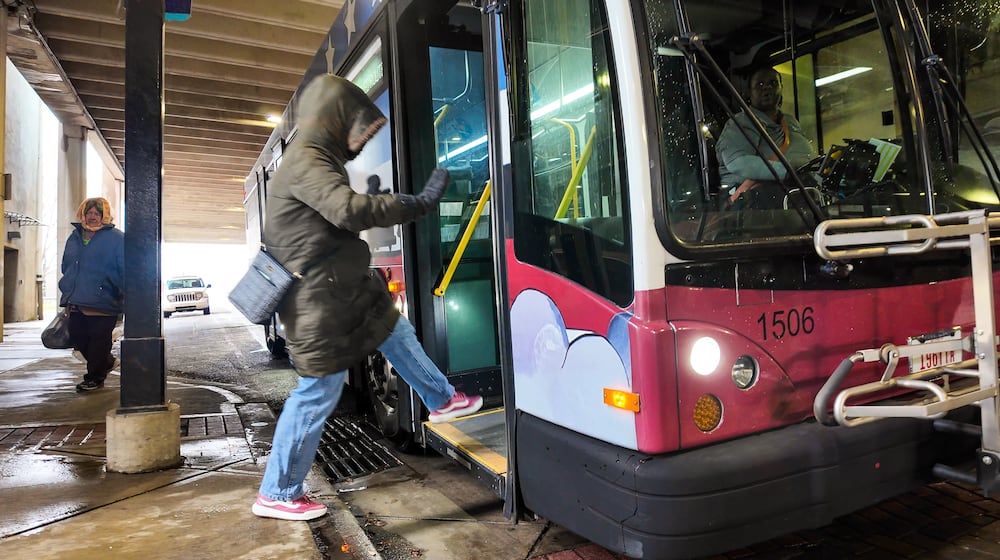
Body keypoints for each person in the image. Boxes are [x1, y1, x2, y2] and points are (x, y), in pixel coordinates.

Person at [251, 74, 484, 522]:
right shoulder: (305, 159)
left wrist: (367, 201)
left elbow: (327, 220)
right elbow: (345, 210)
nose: (358, 139)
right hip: (318, 300)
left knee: (395, 328)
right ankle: (277, 491)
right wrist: (412, 203)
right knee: (319, 391)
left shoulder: (316, 158)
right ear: (334, 118)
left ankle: (440, 398)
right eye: (354, 126)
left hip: (344, 288)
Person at [716, 66, 815, 209]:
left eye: (773, 83)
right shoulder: (740, 123)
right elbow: (738, 162)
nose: (767, 88)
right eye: (760, 85)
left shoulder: (790, 121)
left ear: (781, 88)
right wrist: (789, 172)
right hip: (754, 202)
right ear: (748, 93)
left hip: (794, 194)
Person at [58, 197, 124, 392]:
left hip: (104, 300)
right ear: (83, 214)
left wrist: (122, 292)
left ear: (104, 216)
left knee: (98, 341)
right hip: (76, 299)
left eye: (97, 213)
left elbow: (125, 268)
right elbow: (66, 265)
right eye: (89, 213)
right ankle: (107, 362)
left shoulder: (117, 238)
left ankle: (94, 377)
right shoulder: (75, 236)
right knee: (78, 338)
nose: (92, 216)